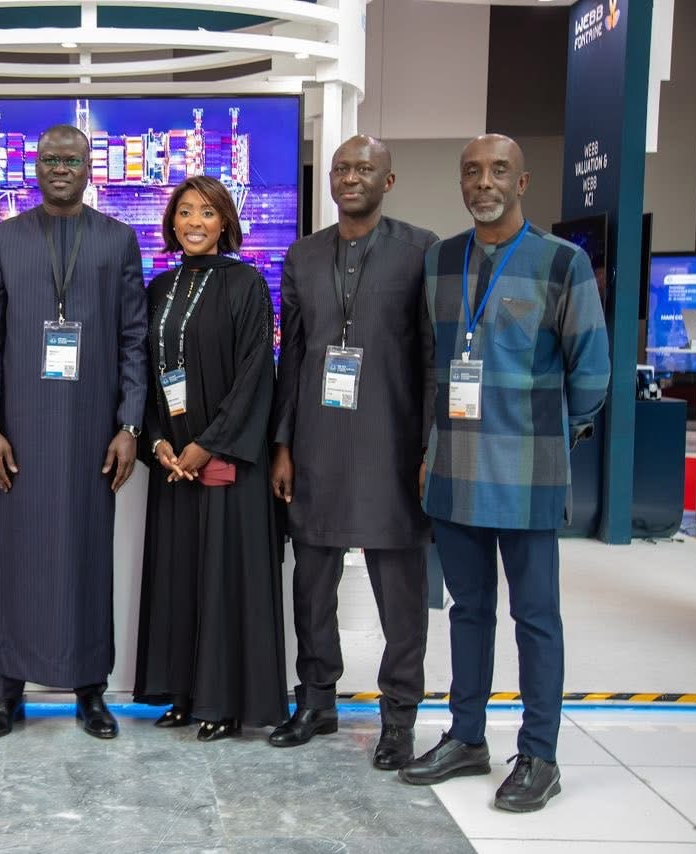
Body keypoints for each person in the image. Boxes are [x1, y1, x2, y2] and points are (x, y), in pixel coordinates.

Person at [399, 134, 610, 812]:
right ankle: (467, 738)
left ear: (521, 183)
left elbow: (594, 376)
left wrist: (545, 433)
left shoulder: (562, 263)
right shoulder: (439, 261)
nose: (482, 182)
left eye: (498, 171)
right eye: (471, 171)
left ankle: (540, 755)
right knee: (468, 612)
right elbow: (435, 367)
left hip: (527, 473)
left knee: (536, 617)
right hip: (455, 470)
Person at [0, 125, 148, 739]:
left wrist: (129, 424)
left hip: (89, 431)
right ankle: (7, 693)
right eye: (49, 159)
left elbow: (134, 339)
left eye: (72, 159)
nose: (60, 168)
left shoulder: (117, 240)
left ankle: (90, 691)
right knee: (16, 558)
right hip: (19, 432)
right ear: (34, 166)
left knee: (84, 554)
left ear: (89, 167)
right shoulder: (5, 239)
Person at [268, 135, 437, 770]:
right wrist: (282, 442)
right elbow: (293, 358)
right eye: (341, 168)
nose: (350, 178)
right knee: (312, 585)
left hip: (391, 444)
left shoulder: (420, 250)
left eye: (365, 169)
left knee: (401, 592)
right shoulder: (303, 254)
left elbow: (429, 359)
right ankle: (316, 699)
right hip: (315, 443)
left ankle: (399, 717)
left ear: (388, 182)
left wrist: (427, 448)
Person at [133, 175, 287, 741]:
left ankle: (224, 703)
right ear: (172, 222)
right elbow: (146, 378)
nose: (194, 222)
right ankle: (182, 693)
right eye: (185, 211)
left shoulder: (247, 284)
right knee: (179, 578)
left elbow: (254, 377)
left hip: (226, 464)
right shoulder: (159, 289)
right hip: (174, 465)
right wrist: (160, 444)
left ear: (226, 222)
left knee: (224, 581)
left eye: (207, 212)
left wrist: (208, 445)